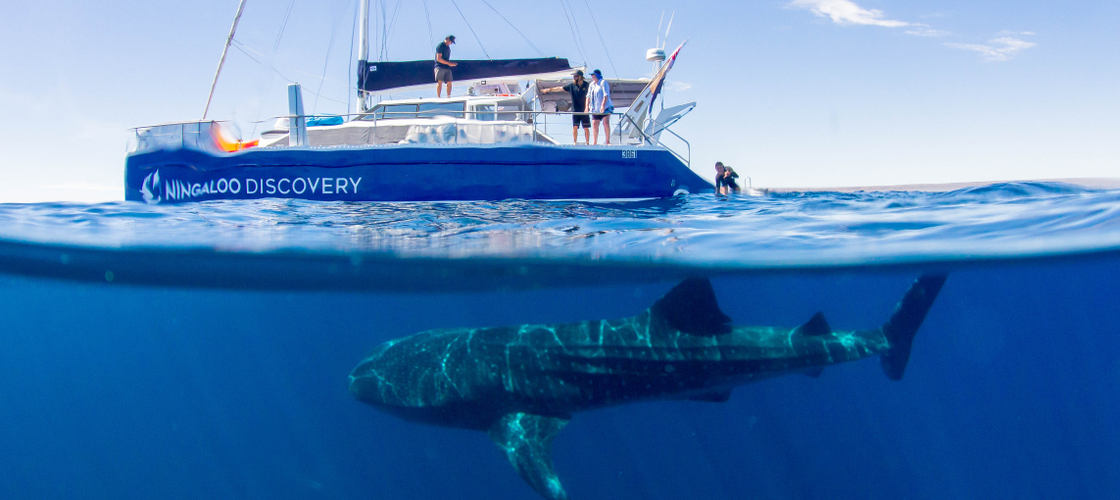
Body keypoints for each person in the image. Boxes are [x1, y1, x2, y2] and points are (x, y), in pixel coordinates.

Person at [541, 70, 591, 144]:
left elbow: (593, 93)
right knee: (575, 127)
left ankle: (587, 143)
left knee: (586, 128)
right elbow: (560, 88)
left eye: (576, 76)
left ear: (580, 77)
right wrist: (548, 90)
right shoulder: (571, 86)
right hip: (575, 110)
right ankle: (575, 142)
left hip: (584, 110)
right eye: (574, 76)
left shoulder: (587, 85)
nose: (574, 77)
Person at [585, 69, 614, 145]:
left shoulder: (603, 82)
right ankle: (595, 142)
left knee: (605, 123)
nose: (592, 76)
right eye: (592, 75)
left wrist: (603, 105)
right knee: (594, 124)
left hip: (605, 107)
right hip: (595, 108)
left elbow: (606, 95)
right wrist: (586, 107)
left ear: (597, 75)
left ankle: (607, 141)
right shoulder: (592, 84)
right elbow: (588, 96)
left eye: (593, 75)